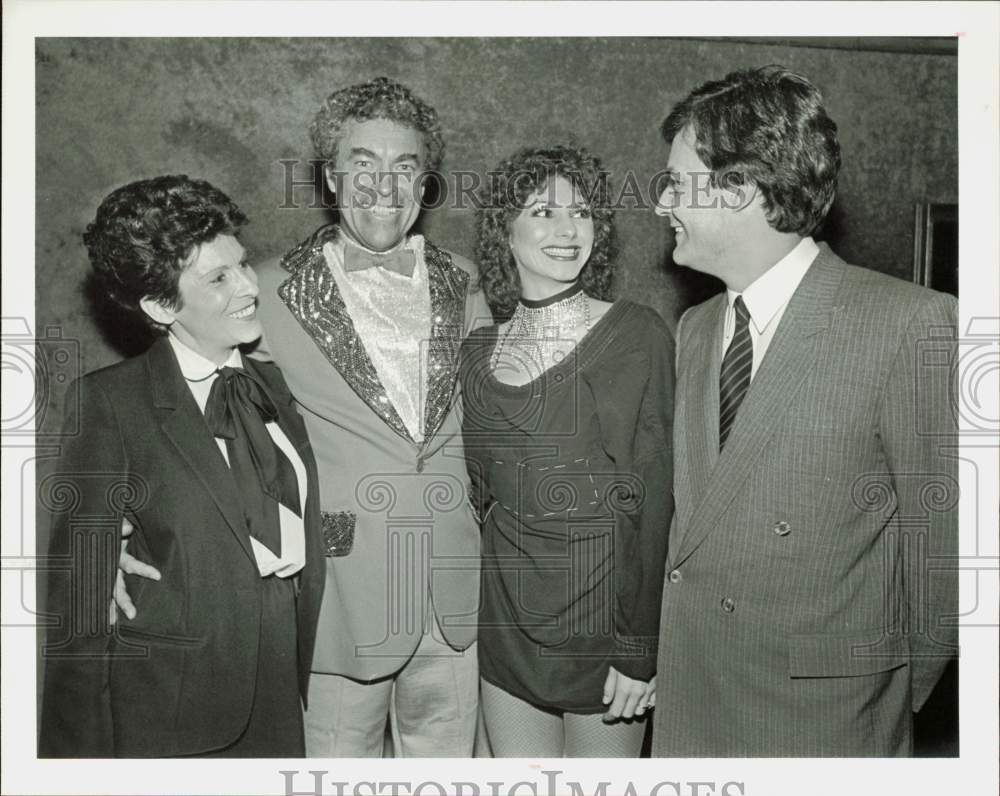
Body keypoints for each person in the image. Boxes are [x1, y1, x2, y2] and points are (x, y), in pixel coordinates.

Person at [651, 66, 958, 757]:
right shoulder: (694, 329)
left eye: (675, 181)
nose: (661, 202)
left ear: (743, 188)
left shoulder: (912, 324)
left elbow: (948, 565)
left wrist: (874, 696)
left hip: (824, 727)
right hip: (694, 709)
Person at [38, 175, 325, 757]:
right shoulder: (109, 404)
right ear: (160, 304)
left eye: (243, 264)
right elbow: (81, 607)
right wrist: (73, 766)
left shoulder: (276, 383)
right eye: (218, 278)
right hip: (171, 709)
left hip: (282, 688)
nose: (249, 286)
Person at [251, 77, 488, 756]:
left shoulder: (467, 280)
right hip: (338, 596)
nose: (384, 186)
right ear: (330, 177)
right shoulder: (264, 288)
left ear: (425, 184)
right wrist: (135, 524)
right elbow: (183, 402)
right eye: (364, 164)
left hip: (453, 592)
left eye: (404, 167)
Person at [460, 145, 674, 757]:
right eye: (542, 212)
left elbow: (653, 501)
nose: (566, 229)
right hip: (506, 628)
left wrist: (640, 651)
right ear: (505, 230)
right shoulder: (476, 353)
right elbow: (484, 499)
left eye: (580, 213)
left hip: (602, 636)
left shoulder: (635, 334)